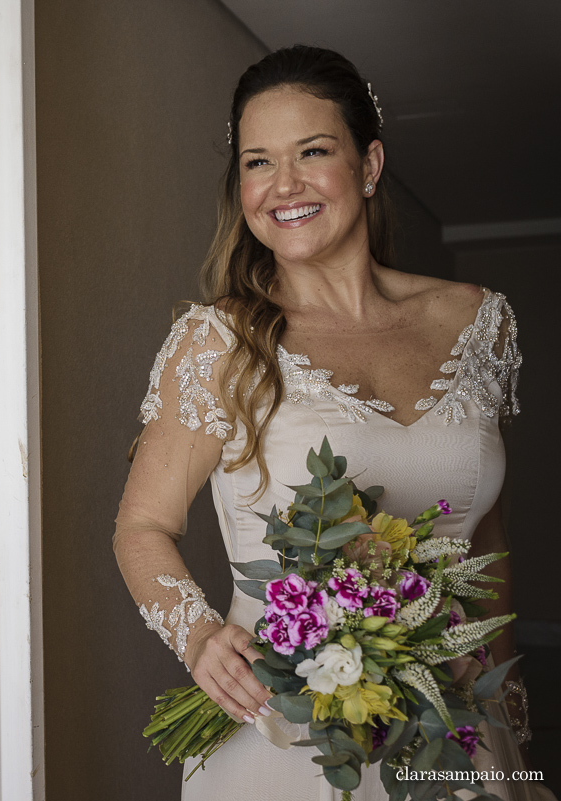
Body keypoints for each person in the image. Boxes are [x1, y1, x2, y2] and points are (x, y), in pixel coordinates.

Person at [112, 45, 547, 800]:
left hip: (456, 729)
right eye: (257, 162)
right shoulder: (220, 341)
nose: (284, 185)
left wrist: (507, 706)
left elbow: (485, 539)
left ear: (370, 163)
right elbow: (141, 525)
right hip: (281, 737)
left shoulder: (481, 322)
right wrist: (201, 635)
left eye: (313, 151)